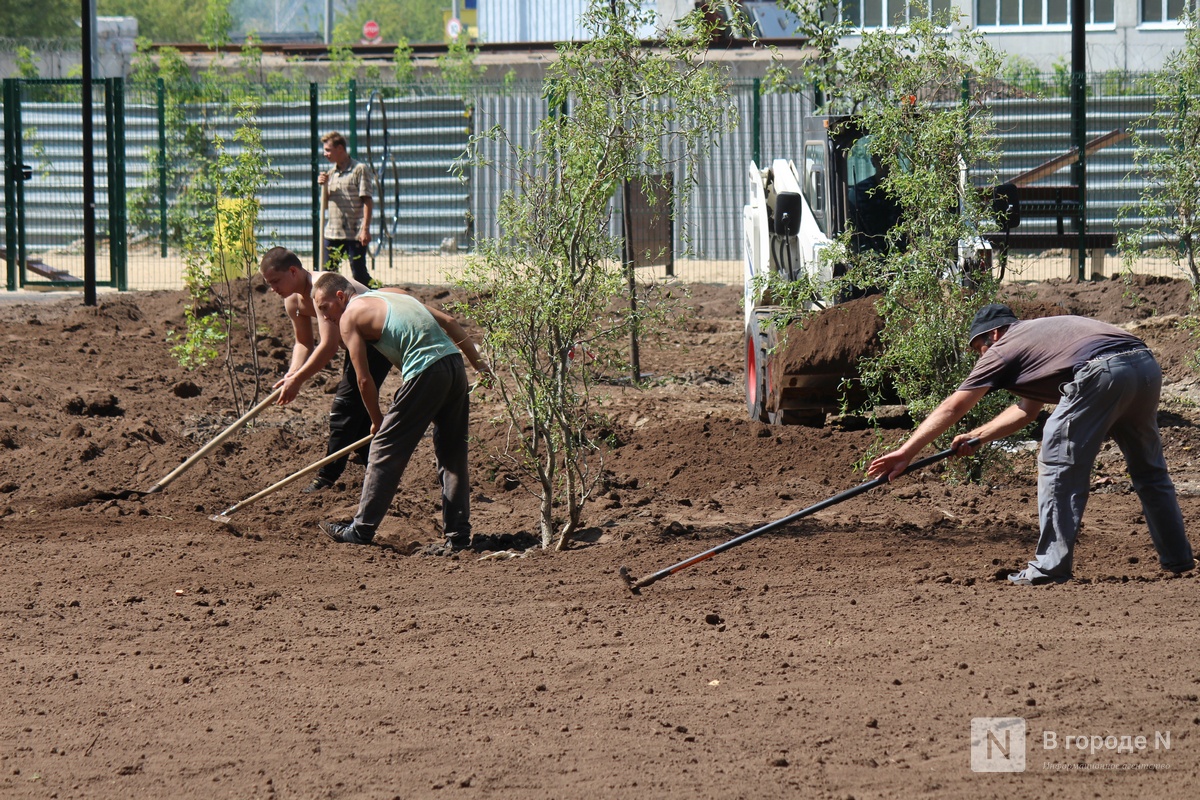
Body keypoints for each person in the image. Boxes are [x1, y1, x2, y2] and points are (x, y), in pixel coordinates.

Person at [867, 303, 1194, 585]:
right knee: (1149, 470)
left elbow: (954, 406)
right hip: (1144, 366)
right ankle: (1178, 558)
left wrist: (905, 453)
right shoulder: (1039, 339)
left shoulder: (1003, 347)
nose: (981, 356)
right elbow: (1026, 410)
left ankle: (1049, 567)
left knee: (1056, 456)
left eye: (978, 348)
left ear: (993, 335)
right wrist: (979, 436)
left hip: (1102, 372)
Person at [311, 271, 492, 550]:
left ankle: (360, 531)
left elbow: (363, 378)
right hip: (454, 367)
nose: (326, 317)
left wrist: (376, 421)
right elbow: (450, 321)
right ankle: (457, 536)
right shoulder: (394, 292)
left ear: (340, 296)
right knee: (452, 452)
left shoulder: (349, 317)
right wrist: (480, 365)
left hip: (425, 371)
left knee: (384, 447)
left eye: (325, 308)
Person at [258, 247, 392, 493]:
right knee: (359, 419)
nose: (273, 288)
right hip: (357, 343)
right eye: (269, 283)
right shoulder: (292, 301)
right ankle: (381, 474)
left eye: (276, 281)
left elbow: (328, 346)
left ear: (293, 271)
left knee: (344, 409)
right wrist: (292, 373)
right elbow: (303, 343)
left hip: (378, 340)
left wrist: (298, 380)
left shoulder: (320, 289)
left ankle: (326, 477)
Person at [318, 131, 374, 286]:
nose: (325, 154)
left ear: (340, 149)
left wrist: (365, 229)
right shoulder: (331, 174)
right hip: (333, 232)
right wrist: (324, 186)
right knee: (328, 273)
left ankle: (377, 297)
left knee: (359, 273)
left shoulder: (359, 170)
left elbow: (367, 201)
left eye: (328, 150)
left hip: (354, 232)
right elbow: (325, 204)